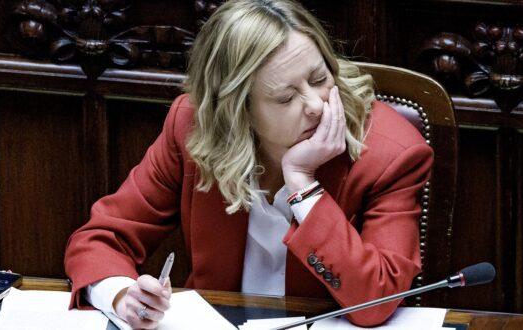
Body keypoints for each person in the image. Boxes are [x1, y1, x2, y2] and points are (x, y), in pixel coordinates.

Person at [64, 0, 434, 328]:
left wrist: (304, 187)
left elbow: (375, 304)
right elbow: (100, 240)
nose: (316, 105)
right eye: (286, 97)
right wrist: (121, 296)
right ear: (238, 111)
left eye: (320, 78)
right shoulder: (194, 129)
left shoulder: (392, 154)